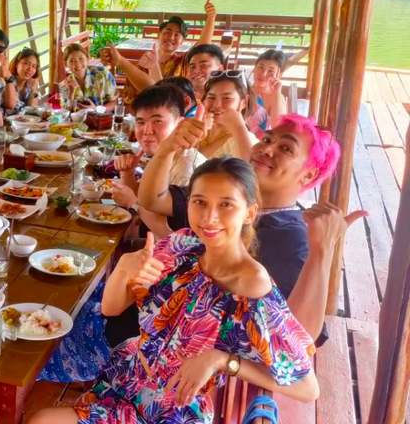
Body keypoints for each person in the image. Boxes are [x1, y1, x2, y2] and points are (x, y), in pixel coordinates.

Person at [27, 157, 319, 424]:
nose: (209, 217)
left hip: (172, 412)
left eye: (226, 204)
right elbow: (112, 308)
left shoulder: (252, 287)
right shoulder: (183, 246)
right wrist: (124, 270)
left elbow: (308, 389)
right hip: (123, 385)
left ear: (249, 213)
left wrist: (222, 360)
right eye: (200, 202)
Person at [138, 113, 366, 341]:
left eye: (286, 149)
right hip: (165, 325)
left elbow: (298, 339)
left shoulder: (290, 237)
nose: (266, 149)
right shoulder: (230, 194)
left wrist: (322, 250)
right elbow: (153, 199)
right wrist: (168, 148)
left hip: (198, 355)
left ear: (309, 175)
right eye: (266, 140)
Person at [112, 83, 206, 239]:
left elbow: (183, 243)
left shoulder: (187, 169)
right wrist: (128, 173)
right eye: (141, 122)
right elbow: (146, 200)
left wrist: (133, 203)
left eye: (157, 121)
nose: (147, 130)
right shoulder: (163, 156)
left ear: (179, 124)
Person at [105, 0, 217, 107]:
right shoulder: (144, 63)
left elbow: (202, 46)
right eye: (167, 32)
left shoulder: (182, 63)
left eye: (177, 35)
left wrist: (211, 17)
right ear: (159, 35)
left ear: (181, 42)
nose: (171, 37)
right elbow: (129, 99)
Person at [199, 71, 259, 160]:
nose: (216, 104)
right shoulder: (193, 128)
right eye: (211, 97)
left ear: (244, 102)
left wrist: (239, 128)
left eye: (227, 98)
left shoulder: (249, 141)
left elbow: (252, 171)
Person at [59, 43, 116, 111]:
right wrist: (71, 93)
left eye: (81, 58)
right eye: (72, 61)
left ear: (87, 58)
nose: (77, 64)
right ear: (66, 64)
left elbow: (114, 102)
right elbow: (66, 112)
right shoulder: (64, 85)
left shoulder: (103, 74)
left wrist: (96, 109)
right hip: (77, 121)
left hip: (103, 119)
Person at [247, 49, 288, 138]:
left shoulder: (277, 97)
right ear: (254, 68)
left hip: (258, 147)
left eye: (270, 71)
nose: (263, 74)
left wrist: (276, 94)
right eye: (261, 67)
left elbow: (278, 128)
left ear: (279, 76)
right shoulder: (242, 90)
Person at [5, 47, 41, 115]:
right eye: (26, 63)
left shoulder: (31, 84)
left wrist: (34, 91)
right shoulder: (7, 82)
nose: (30, 69)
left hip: (25, 123)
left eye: (33, 66)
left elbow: (32, 111)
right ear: (16, 64)